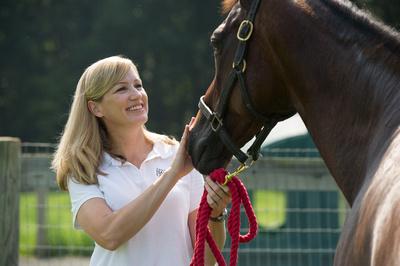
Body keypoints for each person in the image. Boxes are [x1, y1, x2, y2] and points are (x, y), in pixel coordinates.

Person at [51, 55, 231, 266]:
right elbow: (109, 235)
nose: (136, 95)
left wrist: (216, 216)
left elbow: (206, 260)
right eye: (121, 89)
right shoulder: (82, 166)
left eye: (138, 85)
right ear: (95, 108)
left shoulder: (177, 155)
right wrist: (172, 175)